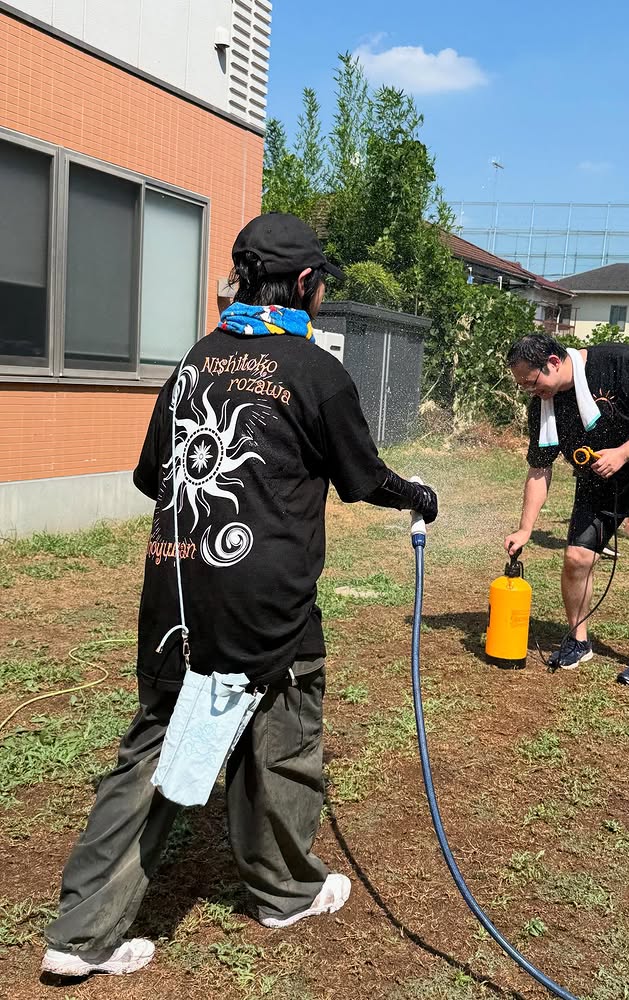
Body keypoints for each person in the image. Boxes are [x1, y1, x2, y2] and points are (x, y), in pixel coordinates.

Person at [42, 213, 438, 978]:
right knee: (280, 742)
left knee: (154, 751)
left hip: (177, 595)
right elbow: (364, 478)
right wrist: (417, 495)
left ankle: (78, 936)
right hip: (269, 604)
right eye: (319, 283)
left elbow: (150, 475)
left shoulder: (195, 360)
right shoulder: (314, 370)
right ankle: (283, 892)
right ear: (305, 283)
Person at [503, 333, 629, 689]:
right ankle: (578, 639)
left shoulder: (619, 361)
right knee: (576, 558)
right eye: (522, 385)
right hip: (598, 480)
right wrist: (526, 528)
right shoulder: (543, 406)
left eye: (531, 381)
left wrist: (623, 453)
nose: (529, 391)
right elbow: (540, 468)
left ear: (553, 362)